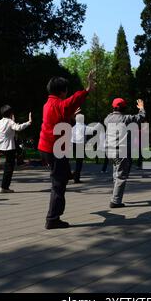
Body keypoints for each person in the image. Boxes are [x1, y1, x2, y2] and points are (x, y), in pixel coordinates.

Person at [38, 71, 95, 230]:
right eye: (66, 90)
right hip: (55, 149)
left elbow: (61, 116)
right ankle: (53, 218)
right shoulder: (59, 104)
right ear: (62, 91)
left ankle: (54, 215)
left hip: (46, 147)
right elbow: (74, 99)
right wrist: (88, 89)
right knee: (58, 183)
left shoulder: (48, 104)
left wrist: (70, 114)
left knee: (60, 178)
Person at [105, 98, 146, 208]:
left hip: (109, 151)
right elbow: (141, 117)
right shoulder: (126, 118)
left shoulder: (107, 118)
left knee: (115, 173)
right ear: (123, 107)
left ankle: (115, 195)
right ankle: (115, 201)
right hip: (121, 151)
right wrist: (141, 108)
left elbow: (110, 115)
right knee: (121, 176)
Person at [0, 106, 32, 194]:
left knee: (8, 165)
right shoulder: (9, 121)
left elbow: (9, 129)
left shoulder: (0, 121)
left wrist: (13, 121)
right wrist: (29, 122)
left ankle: (4, 186)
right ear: (10, 113)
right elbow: (18, 128)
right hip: (8, 147)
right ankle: (4, 187)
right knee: (9, 168)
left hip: (0, 146)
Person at [71, 112, 101, 183]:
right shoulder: (83, 126)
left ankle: (71, 175)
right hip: (80, 145)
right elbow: (93, 130)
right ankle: (76, 178)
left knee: (71, 161)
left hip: (72, 144)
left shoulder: (74, 127)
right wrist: (99, 124)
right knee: (79, 162)